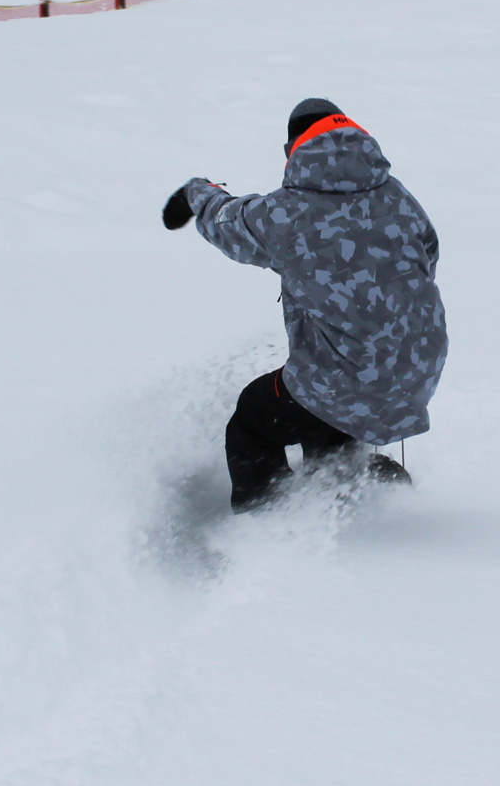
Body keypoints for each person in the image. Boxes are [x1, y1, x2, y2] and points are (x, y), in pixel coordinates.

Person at [164, 99, 448, 510]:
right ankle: (343, 491)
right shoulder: (398, 197)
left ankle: (267, 524)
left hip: (353, 376)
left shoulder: (289, 212)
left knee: (254, 418)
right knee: (322, 404)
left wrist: (196, 193)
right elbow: (427, 259)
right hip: (419, 367)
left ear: (294, 149)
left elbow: (228, 223)